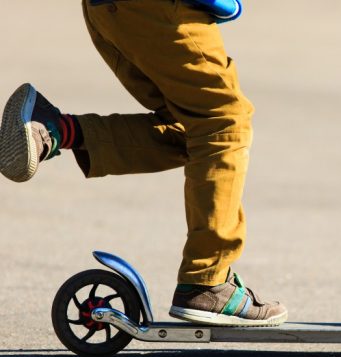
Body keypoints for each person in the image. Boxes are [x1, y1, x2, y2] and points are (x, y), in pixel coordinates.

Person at [0, 0, 287, 327]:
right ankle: (208, 283)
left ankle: (51, 130)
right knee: (223, 123)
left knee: (194, 127)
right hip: (163, 11)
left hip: (109, 11)